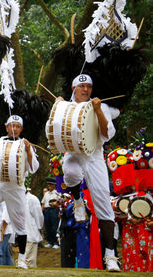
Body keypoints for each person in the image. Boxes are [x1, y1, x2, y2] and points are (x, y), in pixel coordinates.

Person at [56, 74, 121, 272]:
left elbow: (107, 134)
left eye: (89, 86)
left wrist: (99, 110)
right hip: (74, 152)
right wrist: (57, 106)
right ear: (74, 88)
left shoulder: (99, 106)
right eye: (82, 86)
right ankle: (77, 201)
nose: (86, 90)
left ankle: (110, 256)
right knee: (70, 171)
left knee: (103, 204)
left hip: (94, 154)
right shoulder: (65, 106)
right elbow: (54, 131)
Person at [0, 115, 39, 269]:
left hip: (16, 187)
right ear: (6, 127)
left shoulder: (25, 144)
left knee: (20, 226)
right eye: (11, 126)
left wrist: (28, 150)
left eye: (17, 126)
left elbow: (34, 168)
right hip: (0, 183)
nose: (14, 129)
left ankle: (21, 258)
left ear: (21, 129)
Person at [24, 188, 44, 267]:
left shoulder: (32, 199)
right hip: (22, 233)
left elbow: (38, 216)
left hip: (31, 232)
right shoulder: (19, 198)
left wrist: (39, 227)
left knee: (29, 260)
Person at [41, 178, 60, 248]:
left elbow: (60, 203)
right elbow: (43, 203)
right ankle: (50, 242)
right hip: (47, 211)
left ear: (54, 185)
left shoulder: (57, 193)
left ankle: (56, 242)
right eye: (48, 185)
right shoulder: (46, 194)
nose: (49, 186)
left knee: (54, 226)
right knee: (48, 226)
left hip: (54, 210)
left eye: (51, 185)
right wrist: (41, 212)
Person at [0, 201, 14, 266]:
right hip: (3, 229)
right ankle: (9, 266)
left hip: (5, 229)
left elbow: (6, 217)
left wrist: (3, 230)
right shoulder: (0, 201)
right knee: (5, 250)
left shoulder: (5, 201)